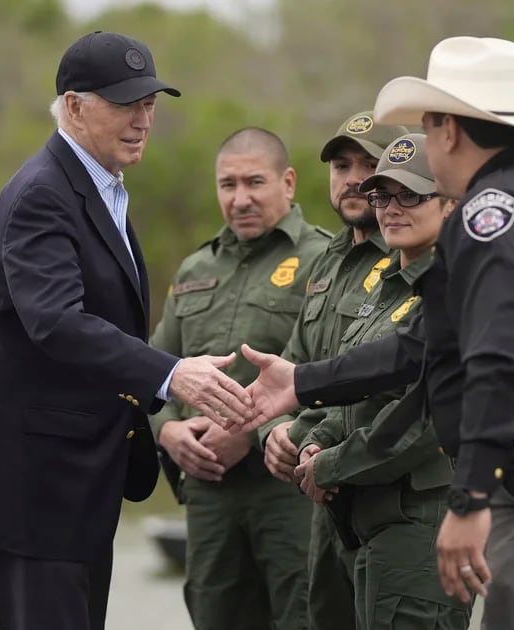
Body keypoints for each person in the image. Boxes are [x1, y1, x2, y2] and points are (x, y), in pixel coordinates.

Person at [230, 36, 514, 629]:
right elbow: (428, 345)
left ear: (448, 132)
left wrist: (470, 499)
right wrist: (301, 382)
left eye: (427, 129)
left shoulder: (493, 214)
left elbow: (498, 359)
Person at [0, 31, 251, 630]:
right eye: (125, 104)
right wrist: (172, 374)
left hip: (74, 492)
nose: (143, 120)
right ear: (73, 106)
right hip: (32, 492)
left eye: (150, 104)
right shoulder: (42, 196)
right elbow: (57, 322)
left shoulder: (101, 187)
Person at [147, 127, 332, 630]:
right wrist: (166, 429)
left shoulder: (329, 262)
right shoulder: (194, 268)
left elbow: (338, 373)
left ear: (288, 182)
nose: (240, 198)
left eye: (255, 182)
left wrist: (249, 433)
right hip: (209, 494)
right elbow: (152, 369)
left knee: (303, 614)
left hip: (288, 486)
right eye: (228, 185)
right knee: (213, 615)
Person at [294, 132, 472, 629]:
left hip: (423, 520)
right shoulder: (383, 286)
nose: (391, 208)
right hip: (362, 520)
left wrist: (330, 465)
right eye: (382, 195)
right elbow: (354, 387)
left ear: (452, 205)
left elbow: (425, 422)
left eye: (411, 195)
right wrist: (315, 440)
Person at [255, 110, 407, 630]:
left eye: (370, 165)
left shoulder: (413, 259)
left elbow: (392, 385)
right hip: (323, 500)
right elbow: (296, 369)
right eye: (342, 165)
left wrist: (307, 439)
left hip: (392, 496)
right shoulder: (328, 259)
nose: (354, 179)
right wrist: (276, 434)